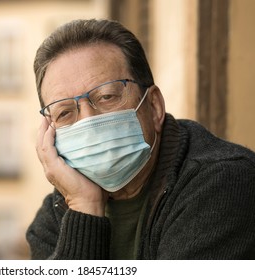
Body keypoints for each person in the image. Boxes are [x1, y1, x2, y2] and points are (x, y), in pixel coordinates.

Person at [26, 18, 255, 259]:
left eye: (106, 96)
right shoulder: (53, 218)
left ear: (154, 106)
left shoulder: (225, 182)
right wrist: (84, 207)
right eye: (64, 112)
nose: (87, 121)